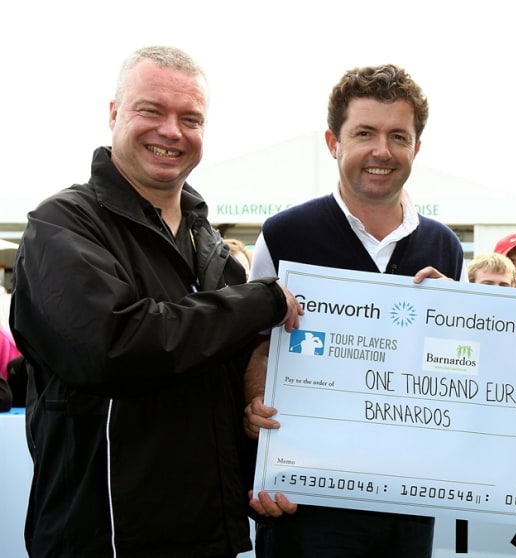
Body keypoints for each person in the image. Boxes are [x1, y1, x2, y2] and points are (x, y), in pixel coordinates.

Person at [9, 46, 302, 557]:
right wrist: (260, 301)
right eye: (151, 110)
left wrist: (262, 451)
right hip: (105, 540)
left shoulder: (213, 251)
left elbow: (230, 389)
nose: (172, 132)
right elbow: (116, 346)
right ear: (114, 113)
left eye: (191, 119)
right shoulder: (62, 225)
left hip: (212, 538)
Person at [243, 63, 463, 558]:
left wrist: (458, 325)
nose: (382, 151)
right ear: (333, 142)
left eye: (398, 136)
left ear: (416, 148)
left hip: (406, 503)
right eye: (364, 133)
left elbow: (462, 367)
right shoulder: (283, 235)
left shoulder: (445, 248)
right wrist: (255, 407)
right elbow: (257, 348)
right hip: (305, 506)